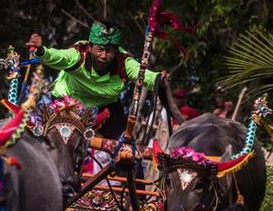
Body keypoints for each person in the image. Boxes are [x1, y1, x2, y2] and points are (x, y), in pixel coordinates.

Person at [27, 21, 169, 139]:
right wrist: (41, 51)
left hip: (106, 108)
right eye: (100, 49)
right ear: (90, 47)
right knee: (51, 140)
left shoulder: (123, 62)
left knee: (122, 147)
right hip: (67, 104)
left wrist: (158, 78)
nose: (104, 56)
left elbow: (142, 73)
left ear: (116, 50)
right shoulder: (77, 55)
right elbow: (57, 56)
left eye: (110, 51)